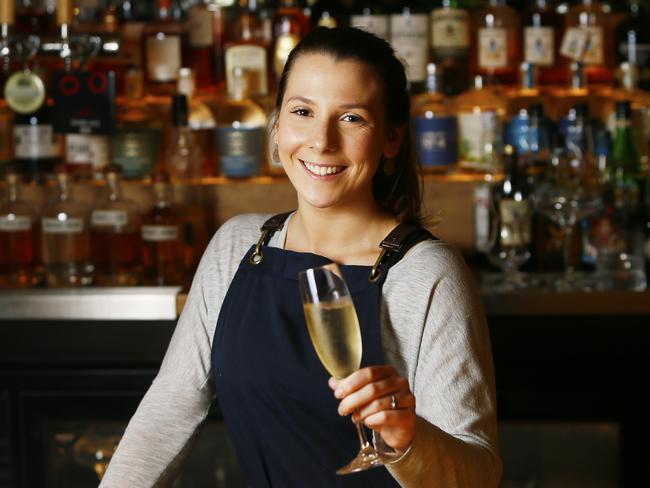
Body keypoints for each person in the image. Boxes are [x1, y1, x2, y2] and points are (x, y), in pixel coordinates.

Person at [100, 27, 501, 487]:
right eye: (303, 112)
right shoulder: (238, 247)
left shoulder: (426, 273)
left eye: (351, 118)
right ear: (276, 128)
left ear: (391, 139)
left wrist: (408, 442)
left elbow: (479, 476)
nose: (321, 140)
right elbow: (165, 414)